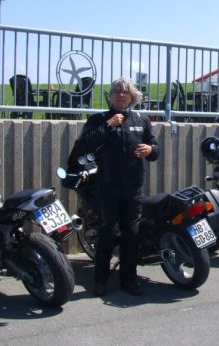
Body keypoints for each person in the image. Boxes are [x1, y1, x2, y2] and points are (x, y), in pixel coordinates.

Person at [79, 77, 160, 297]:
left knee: (131, 234)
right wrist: (108, 125)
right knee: (108, 233)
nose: (121, 94)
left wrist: (150, 150)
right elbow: (85, 144)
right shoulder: (99, 119)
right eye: (117, 91)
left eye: (125, 91)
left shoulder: (142, 120)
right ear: (111, 96)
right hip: (108, 186)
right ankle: (100, 281)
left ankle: (129, 280)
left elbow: (155, 149)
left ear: (132, 96)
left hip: (133, 187)